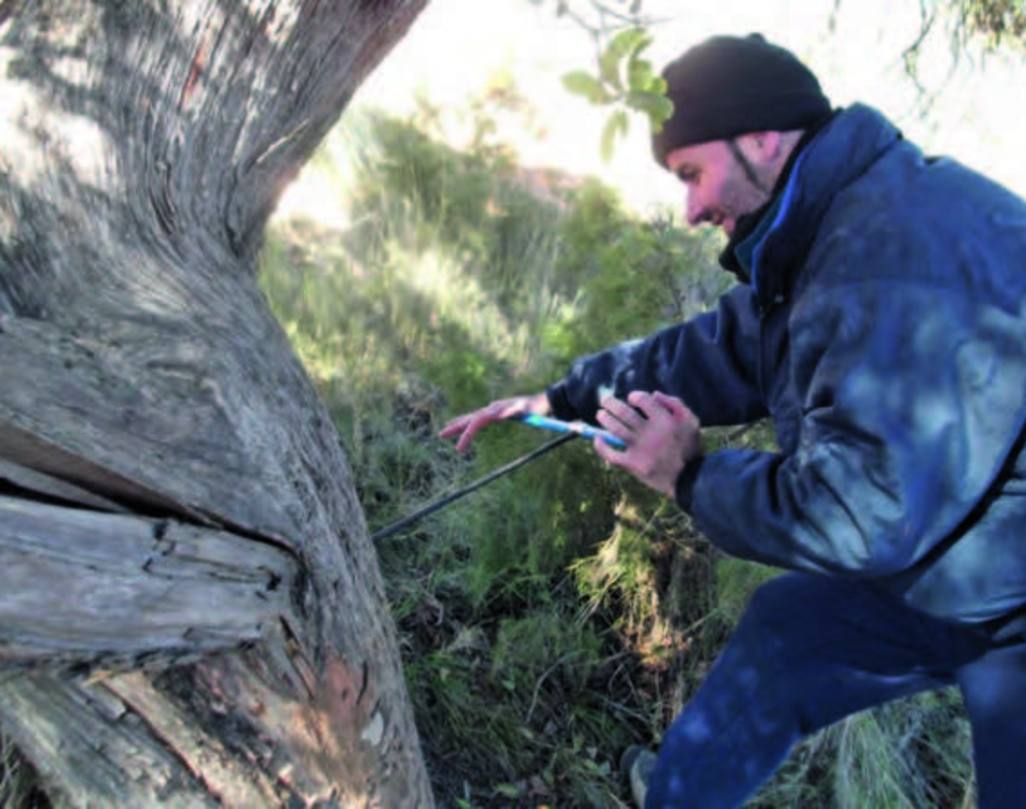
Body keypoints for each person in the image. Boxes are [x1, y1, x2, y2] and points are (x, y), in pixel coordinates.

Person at [440, 33, 1026, 809]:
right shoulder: (825, 229)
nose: (688, 209)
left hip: (1005, 594)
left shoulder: (884, 256)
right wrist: (562, 398)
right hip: (960, 567)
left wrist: (688, 473)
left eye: (691, 173)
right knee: (787, 632)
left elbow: (862, 512)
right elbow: (720, 350)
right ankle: (678, 794)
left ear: (761, 135)